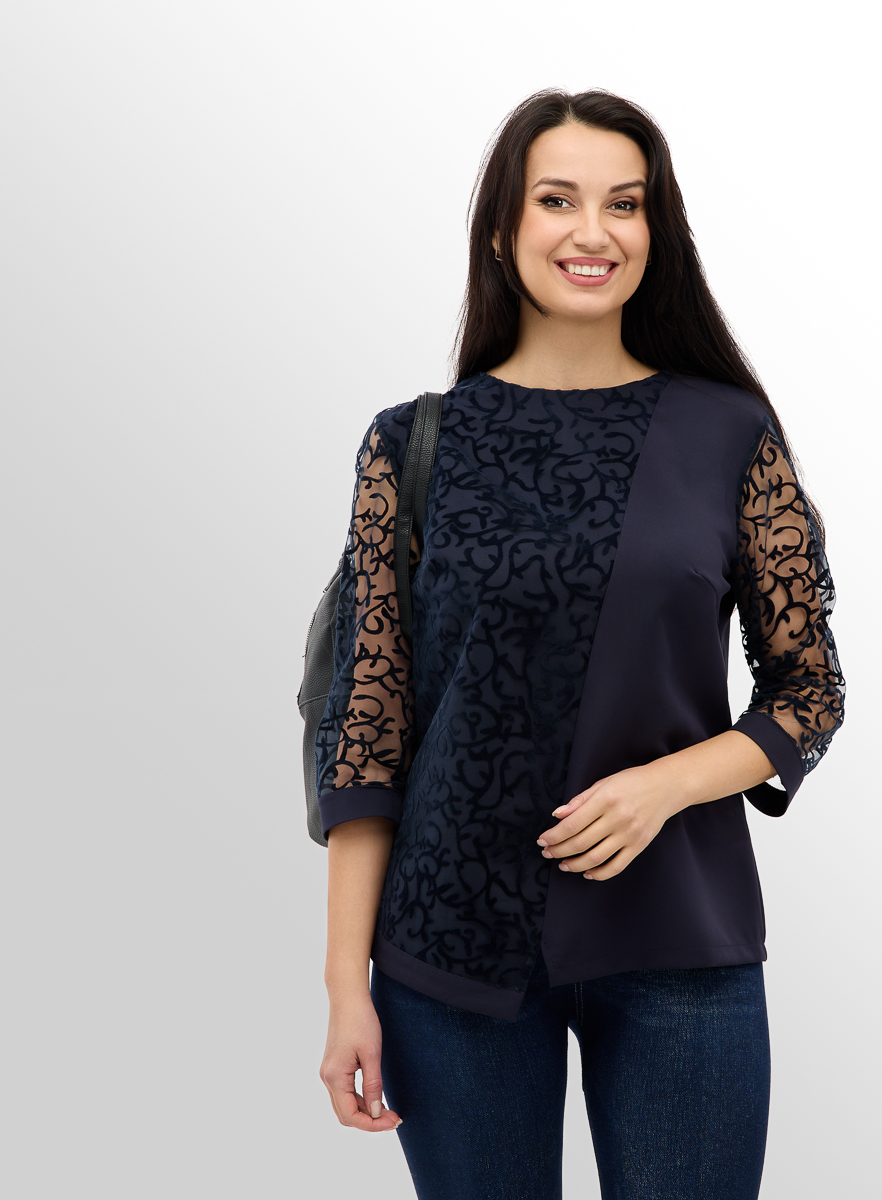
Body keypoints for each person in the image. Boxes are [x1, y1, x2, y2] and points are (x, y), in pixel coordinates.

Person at [315, 88, 845, 1200]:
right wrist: (344, 989)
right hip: (447, 952)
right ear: (502, 229)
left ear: (657, 232)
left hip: (678, 940)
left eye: (625, 203)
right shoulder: (411, 445)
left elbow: (809, 691)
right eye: (557, 200)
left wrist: (664, 786)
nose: (592, 231)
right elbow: (367, 732)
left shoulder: (729, 433)